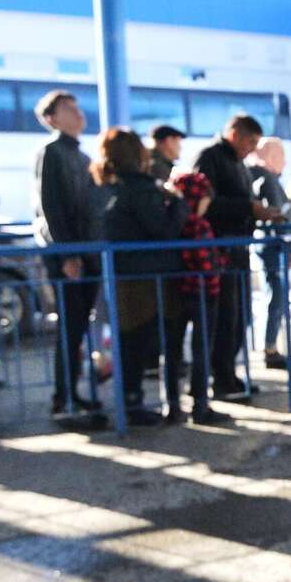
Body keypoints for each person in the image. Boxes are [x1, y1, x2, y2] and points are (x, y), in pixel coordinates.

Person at [96, 127, 186, 428]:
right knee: (138, 342)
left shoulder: (109, 187)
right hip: (146, 276)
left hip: (124, 273)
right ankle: (135, 405)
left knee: (130, 342)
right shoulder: (142, 189)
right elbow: (161, 229)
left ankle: (130, 402)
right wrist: (178, 204)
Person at [193, 114, 282, 397]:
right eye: (250, 141)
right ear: (235, 134)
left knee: (239, 316)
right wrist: (249, 208)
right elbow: (205, 203)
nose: (252, 148)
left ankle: (228, 373)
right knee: (224, 318)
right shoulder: (210, 158)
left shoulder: (238, 162)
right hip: (219, 249)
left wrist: (258, 213)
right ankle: (220, 378)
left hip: (238, 248)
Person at [33, 90, 105, 420]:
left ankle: (73, 393)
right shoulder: (51, 152)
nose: (78, 114)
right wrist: (67, 254)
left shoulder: (79, 154)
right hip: (69, 255)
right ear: (51, 119)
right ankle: (64, 398)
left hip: (85, 252)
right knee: (70, 328)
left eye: (77, 107)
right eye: (69, 109)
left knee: (78, 327)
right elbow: (51, 207)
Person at [163, 171, 226, 425]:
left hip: (174, 295)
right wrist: (220, 261)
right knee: (201, 351)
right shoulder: (198, 226)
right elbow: (207, 264)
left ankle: (173, 405)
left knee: (172, 353)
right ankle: (201, 405)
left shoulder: (170, 223)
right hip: (202, 295)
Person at [248, 136, 291, 370]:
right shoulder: (267, 179)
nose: (285, 162)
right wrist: (288, 246)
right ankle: (270, 348)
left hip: (266, 245)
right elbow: (278, 216)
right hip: (274, 247)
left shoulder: (256, 177)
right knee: (276, 296)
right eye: (281, 156)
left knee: (274, 295)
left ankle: (269, 345)